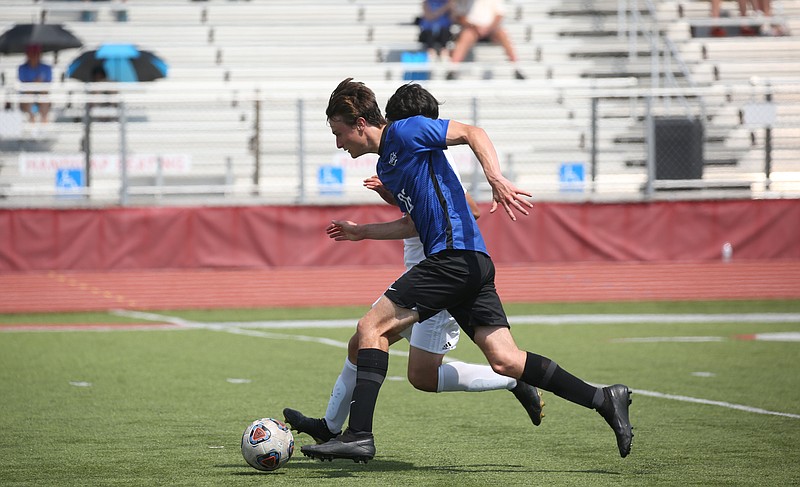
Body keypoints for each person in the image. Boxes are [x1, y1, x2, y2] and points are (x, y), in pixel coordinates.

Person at [301, 78, 633, 463]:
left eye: (339, 133)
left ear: (360, 123)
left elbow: (473, 133)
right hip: (472, 262)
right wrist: (363, 233)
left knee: (369, 329)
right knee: (506, 360)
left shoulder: (406, 129)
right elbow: (414, 224)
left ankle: (358, 435)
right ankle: (604, 398)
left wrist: (494, 178)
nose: (338, 144)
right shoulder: (387, 168)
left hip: (452, 257)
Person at [283, 82, 544, 445]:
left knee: (420, 373)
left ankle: (514, 377)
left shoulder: (424, 151)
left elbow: (468, 209)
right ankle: (330, 428)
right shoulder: (399, 156)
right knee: (363, 343)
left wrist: (379, 220)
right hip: (422, 273)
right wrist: (395, 196)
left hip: (440, 275)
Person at [447, 0, 524, 80]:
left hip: (491, 29)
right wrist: (476, 27)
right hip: (472, 29)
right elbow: (460, 17)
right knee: (466, 36)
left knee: (503, 34)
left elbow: (499, 15)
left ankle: (516, 67)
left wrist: (488, 29)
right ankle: (453, 69)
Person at [17, 44, 52, 124]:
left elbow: (48, 84)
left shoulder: (46, 67)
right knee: (28, 93)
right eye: (32, 54)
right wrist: (34, 83)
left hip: (42, 94)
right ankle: (32, 120)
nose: (34, 56)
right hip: (27, 94)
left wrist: (38, 84)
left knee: (44, 94)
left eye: (36, 54)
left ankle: (44, 121)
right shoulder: (22, 68)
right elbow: (23, 83)